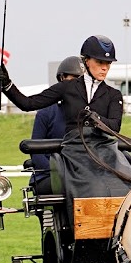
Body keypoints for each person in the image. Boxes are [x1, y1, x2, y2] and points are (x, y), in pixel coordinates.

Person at [0, 35, 131, 208]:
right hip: (75, 152)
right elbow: (28, 104)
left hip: (105, 150)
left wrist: (96, 118)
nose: (104, 68)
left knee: (127, 183)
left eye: (108, 64)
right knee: (89, 185)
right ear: (86, 61)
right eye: (100, 63)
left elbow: (115, 126)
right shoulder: (67, 88)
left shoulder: (113, 95)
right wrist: (7, 84)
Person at [30, 55, 85, 195]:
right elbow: (36, 153)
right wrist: (58, 172)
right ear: (62, 79)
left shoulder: (90, 113)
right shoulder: (46, 112)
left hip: (83, 177)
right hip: (48, 175)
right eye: (74, 79)